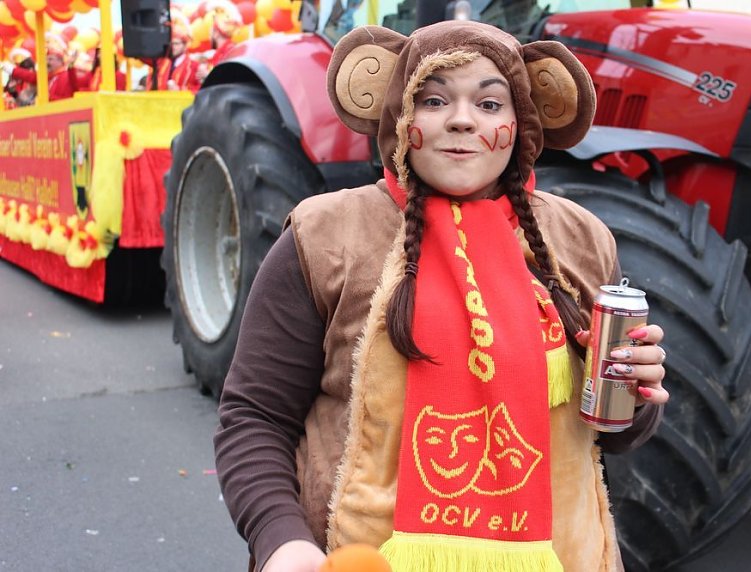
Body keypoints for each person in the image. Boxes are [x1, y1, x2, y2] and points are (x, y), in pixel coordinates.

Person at [214, 20, 670, 572]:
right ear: (400, 114)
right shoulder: (324, 236)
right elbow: (255, 416)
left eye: (489, 103)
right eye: (433, 99)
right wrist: (281, 540)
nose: (461, 119)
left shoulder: (581, 240)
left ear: (520, 122)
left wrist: (636, 401)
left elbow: (608, 436)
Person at [1, 34, 80, 101]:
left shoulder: (67, 75)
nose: (47, 62)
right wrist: (5, 66)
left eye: (50, 59)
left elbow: (75, 85)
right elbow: (30, 76)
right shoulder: (48, 77)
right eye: (46, 60)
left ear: (61, 62)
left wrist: (71, 66)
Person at [146, 11, 201, 92]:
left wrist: (180, 91)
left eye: (176, 44)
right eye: (171, 44)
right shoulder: (161, 62)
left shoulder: (194, 66)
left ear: (185, 45)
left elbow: (201, 90)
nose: (173, 47)